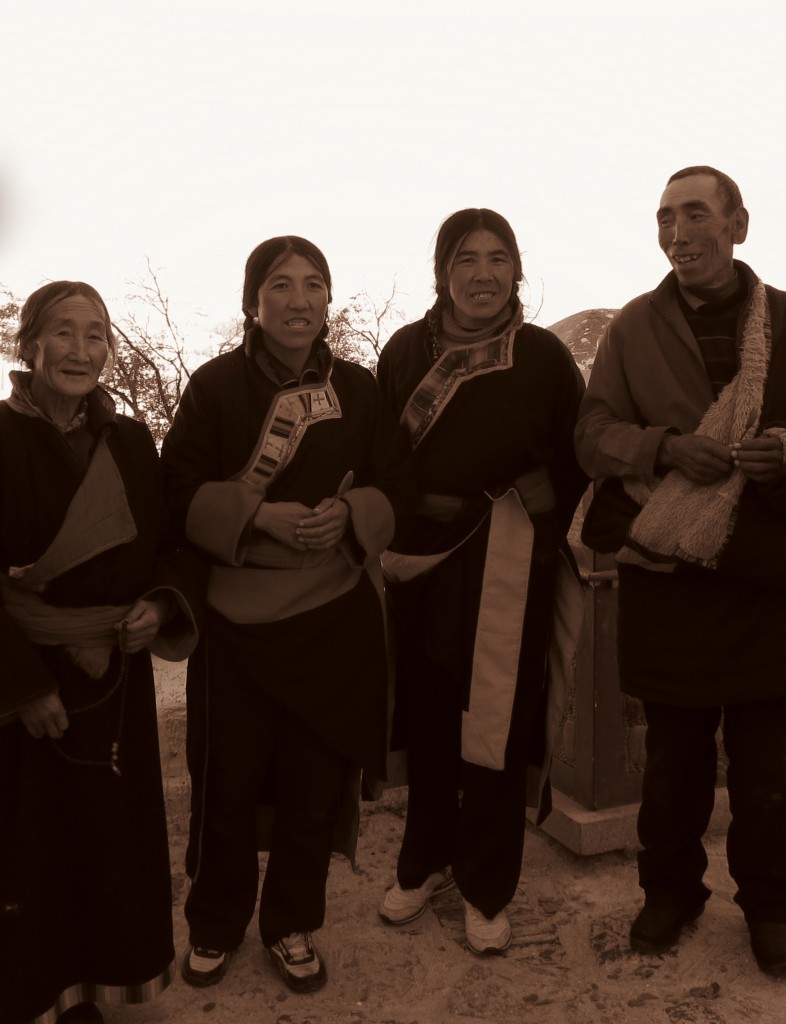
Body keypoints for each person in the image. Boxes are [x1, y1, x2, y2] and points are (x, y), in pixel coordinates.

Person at [160, 236, 411, 994]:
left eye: (313, 285)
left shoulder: (362, 392)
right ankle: (215, 922)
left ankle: (292, 923)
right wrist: (256, 517)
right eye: (280, 285)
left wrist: (350, 511)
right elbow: (175, 492)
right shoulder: (211, 388)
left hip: (333, 617)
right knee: (226, 783)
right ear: (253, 302)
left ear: (328, 301)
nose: (298, 300)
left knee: (313, 786)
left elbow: (397, 482)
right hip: (236, 623)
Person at [574, 166, 786, 976]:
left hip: (766, 577)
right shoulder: (633, 329)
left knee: (771, 767)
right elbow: (592, 436)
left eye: (695, 213)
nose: (676, 231)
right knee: (673, 764)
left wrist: (780, 456)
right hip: (670, 578)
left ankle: (770, 901)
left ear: (739, 223)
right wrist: (665, 447)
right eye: (664, 217)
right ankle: (671, 890)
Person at [376, 209, 587, 954]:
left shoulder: (542, 356)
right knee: (429, 713)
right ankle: (425, 858)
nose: (484, 275)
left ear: (517, 272)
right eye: (467, 259)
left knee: (495, 721)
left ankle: (488, 883)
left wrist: (545, 495)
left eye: (500, 259)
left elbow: (576, 452)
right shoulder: (404, 351)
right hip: (423, 560)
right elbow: (382, 454)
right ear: (442, 272)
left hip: (507, 555)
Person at [0, 282, 200, 1024]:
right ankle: (36, 993)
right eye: (64, 333)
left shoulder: (128, 439)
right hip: (30, 676)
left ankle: (100, 985)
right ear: (30, 346)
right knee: (34, 846)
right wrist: (21, 686)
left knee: (109, 846)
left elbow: (164, 545)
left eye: (97, 335)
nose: (82, 350)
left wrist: (158, 602)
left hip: (117, 671)